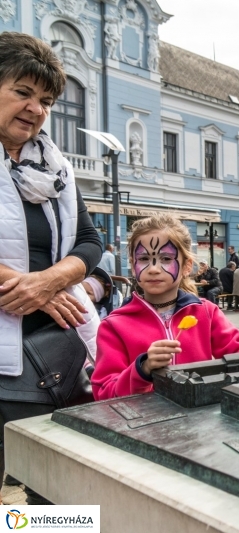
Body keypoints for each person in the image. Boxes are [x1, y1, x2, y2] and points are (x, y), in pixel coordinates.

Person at [0, 32, 103, 492]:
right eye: (22, 92)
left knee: (58, 488)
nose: (37, 109)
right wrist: (28, 288)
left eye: (46, 100)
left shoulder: (55, 167)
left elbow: (88, 241)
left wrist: (51, 282)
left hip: (52, 352)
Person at [91, 214, 239, 400]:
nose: (153, 268)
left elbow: (237, 354)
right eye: (144, 259)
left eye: (166, 259)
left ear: (187, 266)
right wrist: (141, 370)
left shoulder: (206, 312)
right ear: (133, 264)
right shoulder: (113, 326)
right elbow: (103, 394)